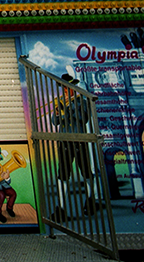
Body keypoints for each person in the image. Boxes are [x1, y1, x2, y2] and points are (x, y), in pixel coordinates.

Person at [53, 73, 97, 219]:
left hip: (79, 140)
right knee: (63, 174)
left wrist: (69, 109)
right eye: (64, 89)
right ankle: (61, 208)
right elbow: (55, 121)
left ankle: (91, 200)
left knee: (86, 172)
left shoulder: (82, 101)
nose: (66, 91)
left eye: (68, 88)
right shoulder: (59, 102)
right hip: (64, 141)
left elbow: (83, 118)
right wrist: (60, 112)